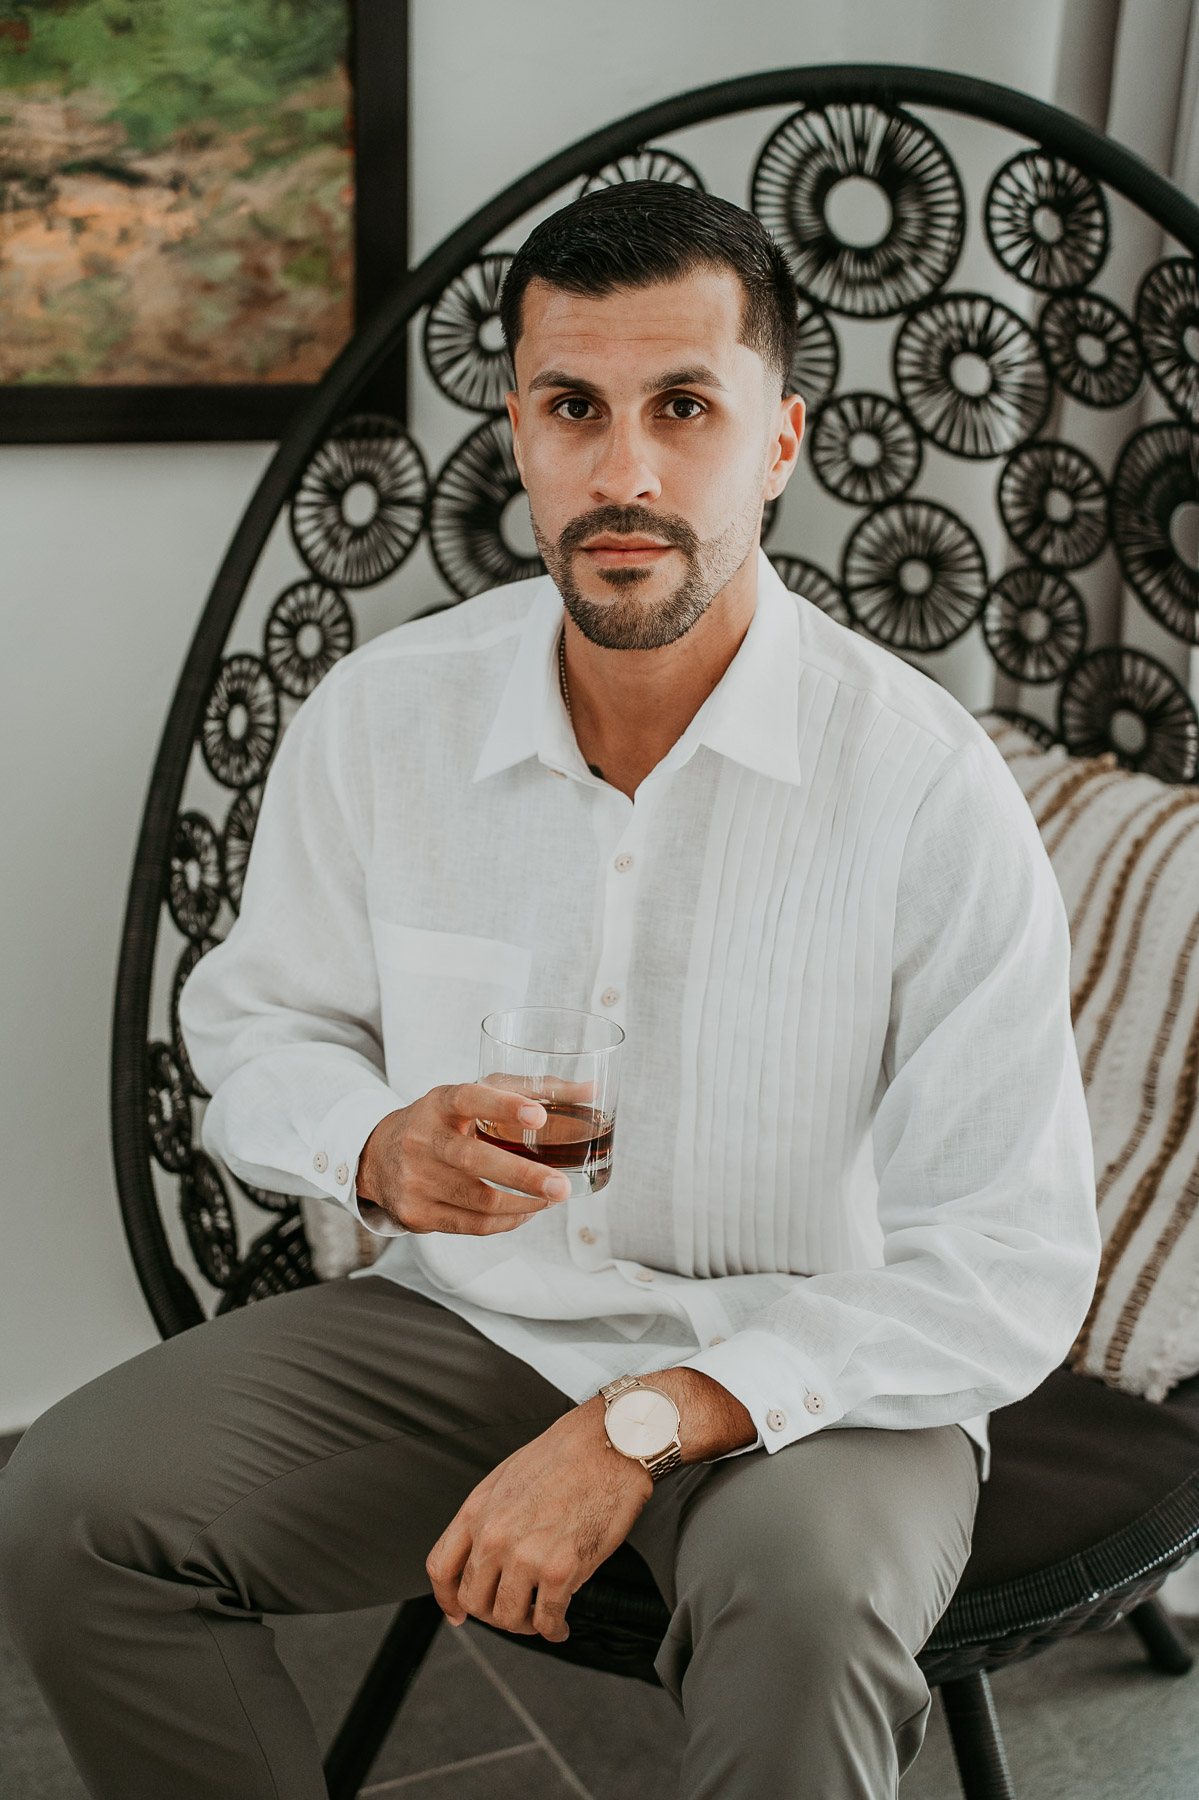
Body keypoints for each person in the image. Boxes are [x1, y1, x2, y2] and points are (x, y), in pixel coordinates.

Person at [0, 182, 1100, 1800]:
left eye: (684, 408)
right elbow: (255, 1028)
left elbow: (1007, 1258)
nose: (626, 472)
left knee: (802, 1612)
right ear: (515, 429)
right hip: (485, 1333)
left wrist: (641, 1426)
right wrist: (376, 1146)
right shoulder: (385, 721)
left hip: (825, 1377)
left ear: (779, 442)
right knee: (74, 1508)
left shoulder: (928, 790)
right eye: (572, 407)